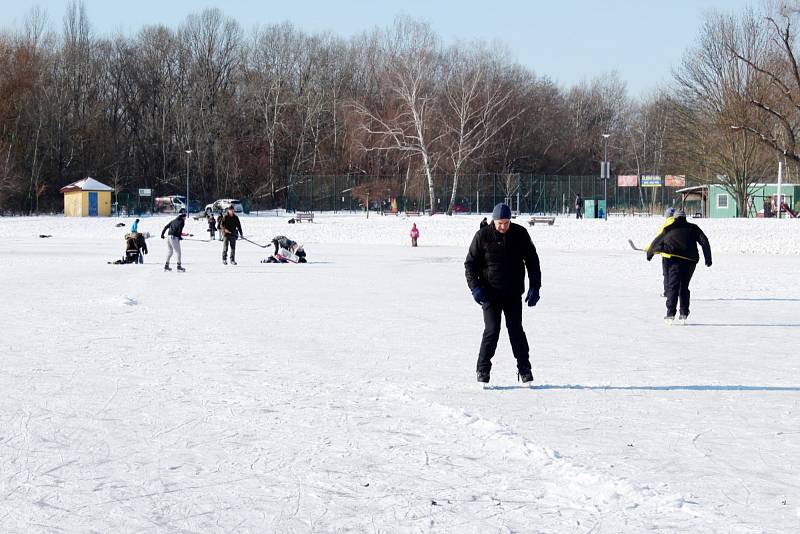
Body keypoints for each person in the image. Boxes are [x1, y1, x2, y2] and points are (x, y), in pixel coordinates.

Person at [465, 202, 541, 386]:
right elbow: (470, 264)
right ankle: (482, 370)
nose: (503, 226)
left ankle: (525, 369)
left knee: (516, 331)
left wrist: (535, 287)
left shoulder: (520, 234)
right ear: (494, 220)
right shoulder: (482, 236)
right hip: (489, 293)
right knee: (492, 330)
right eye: (500, 223)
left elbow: (532, 260)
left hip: (513, 293)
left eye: (506, 222)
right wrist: (475, 288)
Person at [647, 210, 712, 324]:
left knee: (673, 286)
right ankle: (684, 313)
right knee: (684, 286)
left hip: (674, 260)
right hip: (690, 260)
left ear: (675, 218)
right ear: (685, 218)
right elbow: (704, 241)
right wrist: (708, 258)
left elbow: (657, 240)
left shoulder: (669, 228)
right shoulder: (693, 227)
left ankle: (670, 313)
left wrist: (650, 253)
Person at [646, 207, 676, 297]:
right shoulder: (679, 224)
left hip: (667, 254)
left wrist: (650, 249)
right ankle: (677, 292)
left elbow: (658, 240)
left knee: (667, 274)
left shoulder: (665, 225)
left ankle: (667, 292)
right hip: (679, 254)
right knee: (676, 274)